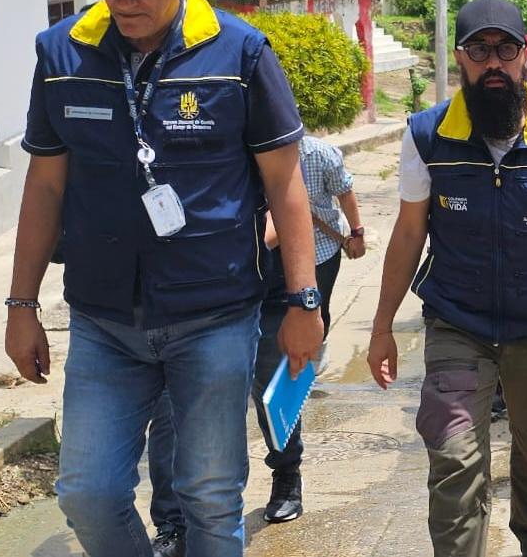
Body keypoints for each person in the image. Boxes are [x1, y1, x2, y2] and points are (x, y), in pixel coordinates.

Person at [5, 0, 323, 557]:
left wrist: (303, 300)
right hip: (104, 321)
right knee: (88, 494)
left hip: (214, 317)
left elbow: (285, 184)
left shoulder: (239, 53)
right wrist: (21, 305)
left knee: (210, 499)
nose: (124, 2)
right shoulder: (62, 54)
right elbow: (45, 186)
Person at [366, 0, 527, 557]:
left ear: (525, 58)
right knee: (454, 459)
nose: (493, 64)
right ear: (459, 57)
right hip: (457, 322)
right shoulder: (428, 135)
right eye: (479, 51)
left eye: (505, 50)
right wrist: (382, 326)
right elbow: (408, 234)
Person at [146, 135, 366, 552]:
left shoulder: (270, 142)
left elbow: (283, 214)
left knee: (274, 388)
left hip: (269, 290)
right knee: (171, 409)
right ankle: (172, 523)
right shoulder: (179, 141)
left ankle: (287, 476)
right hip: (190, 297)